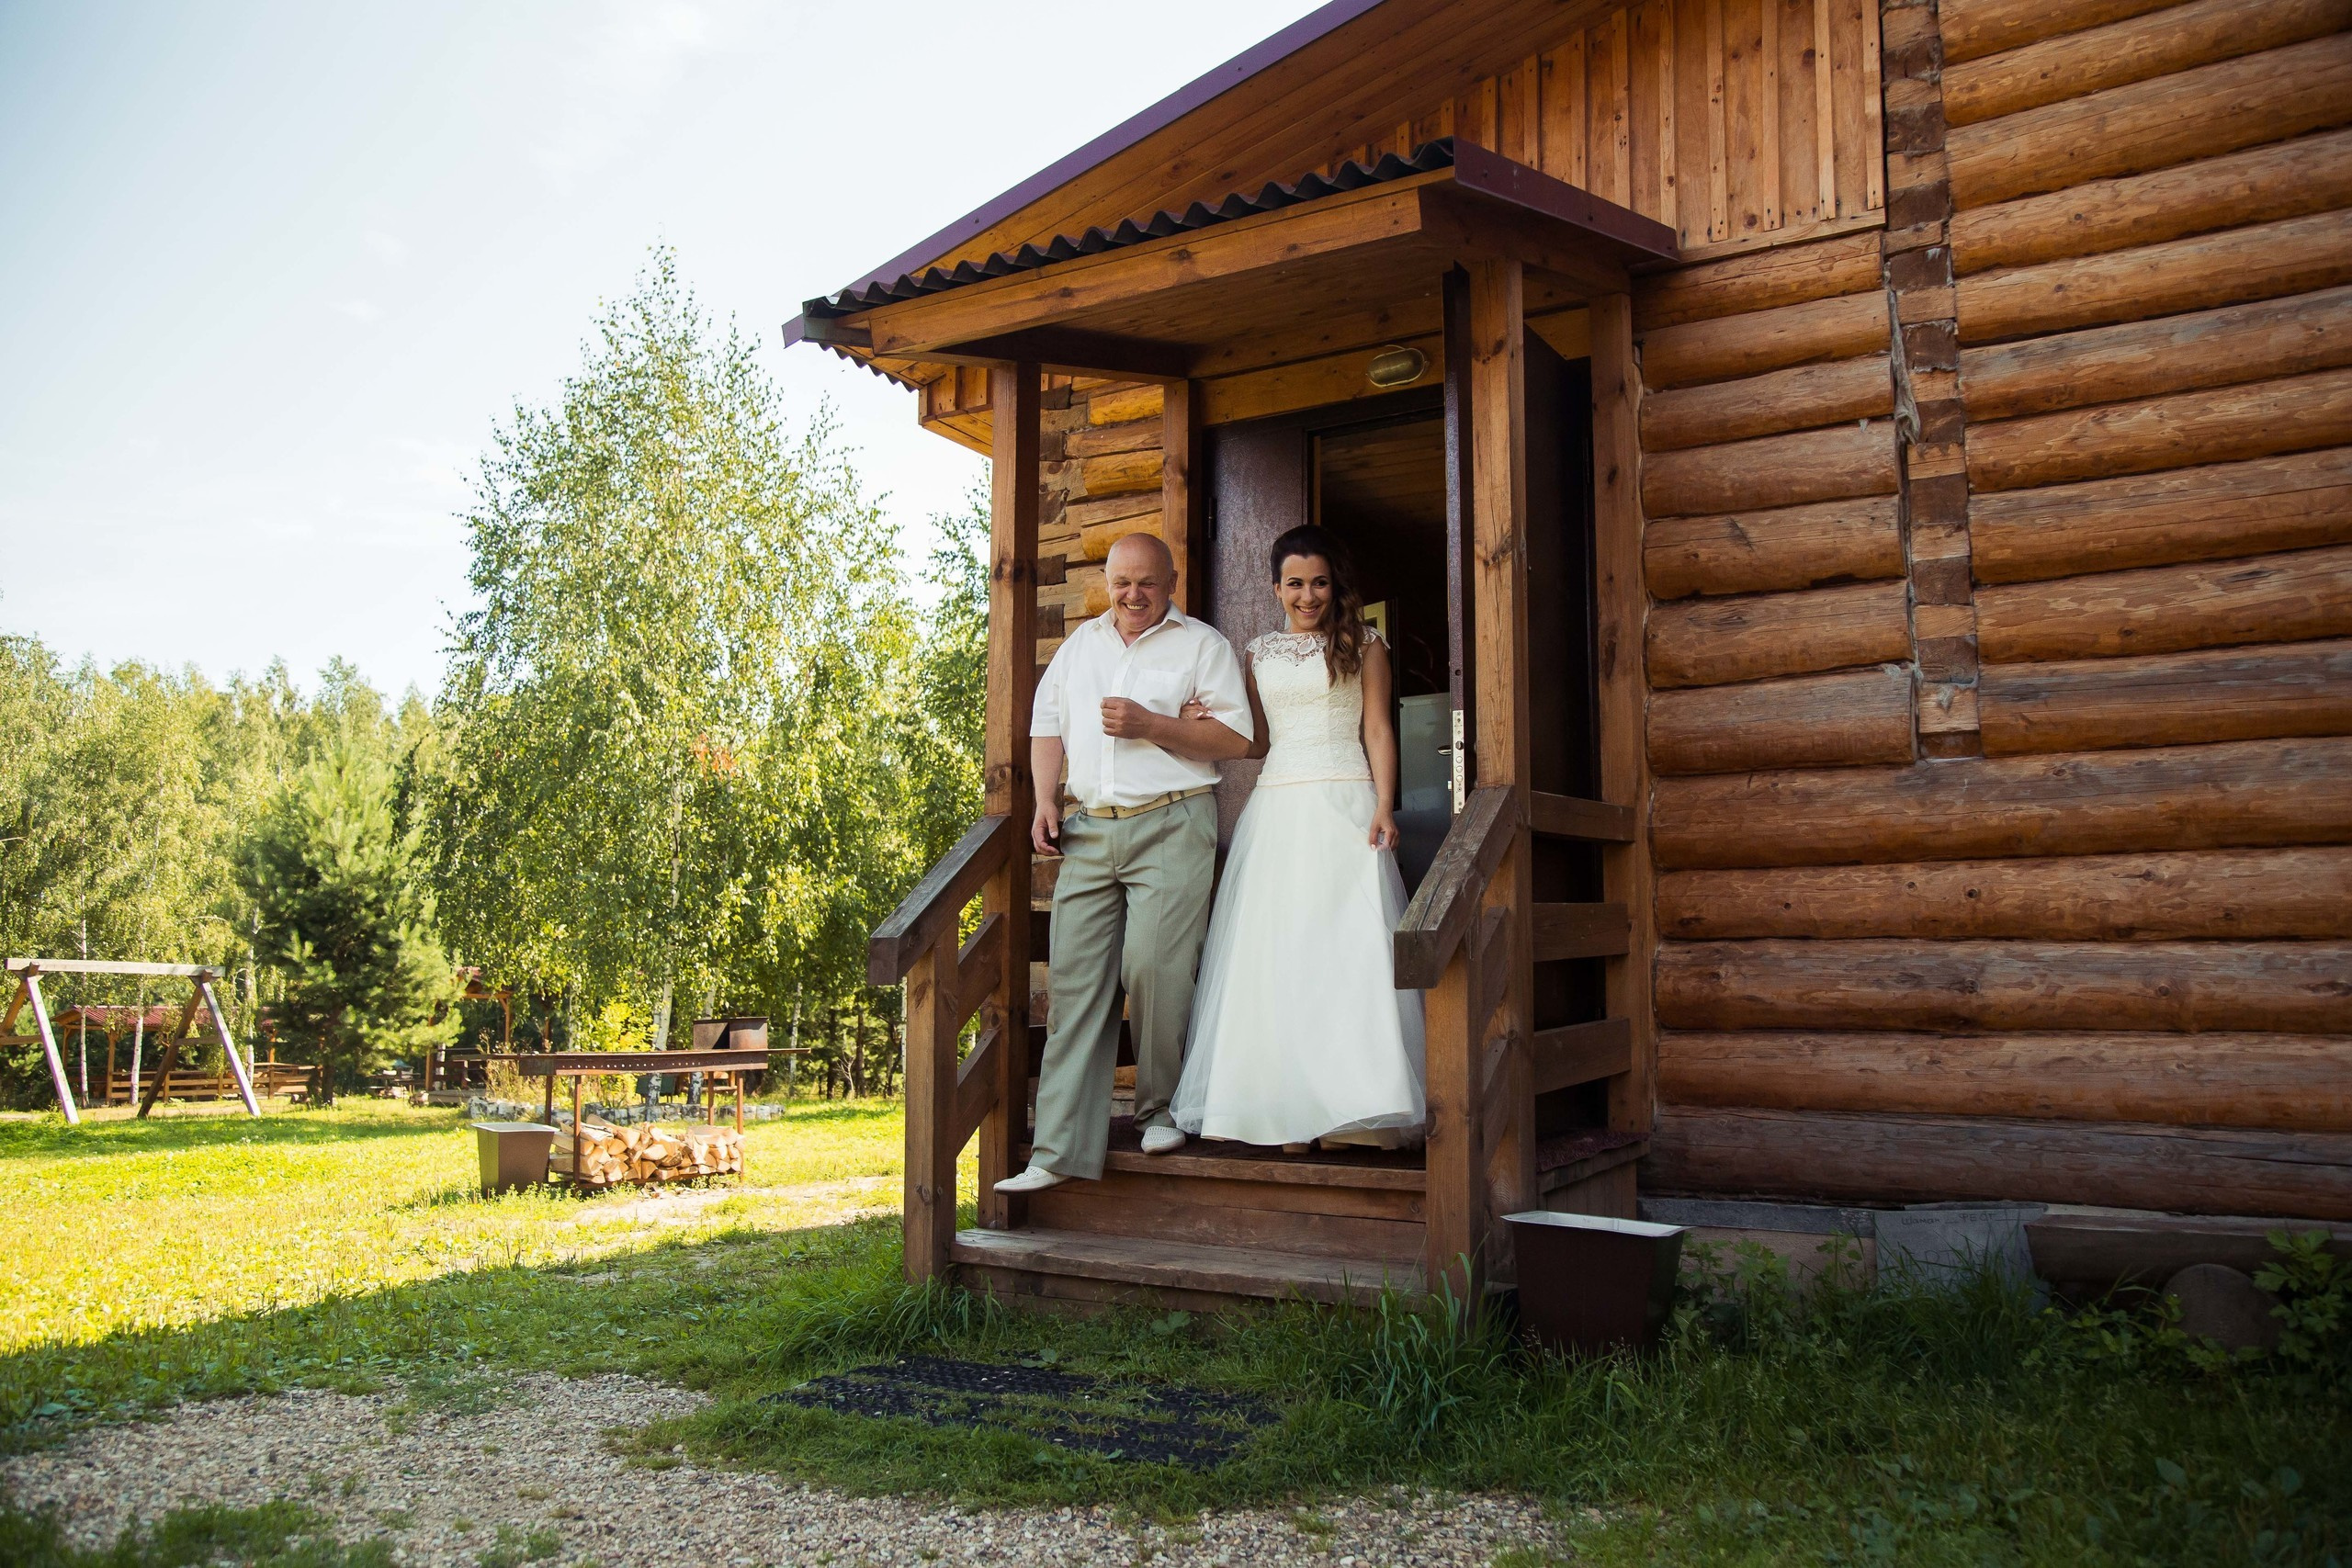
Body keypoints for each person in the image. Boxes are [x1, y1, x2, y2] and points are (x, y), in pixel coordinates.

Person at [995, 532, 1253, 1194]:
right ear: (1106, 581)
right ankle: (1056, 1150)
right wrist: (1044, 799)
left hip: (1172, 818)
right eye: (1121, 582)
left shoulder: (1202, 644)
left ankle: (1160, 1110)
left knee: (1154, 964)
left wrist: (1152, 724)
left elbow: (1237, 736)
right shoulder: (1082, 646)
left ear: (1171, 581)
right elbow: (1046, 722)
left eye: (1147, 582)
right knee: (1077, 979)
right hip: (1089, 827)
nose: (1132, 594)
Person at [1169, 525, 1427, 1152]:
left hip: (1344, 801)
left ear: (1332, 584)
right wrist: (1201, 721)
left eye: (1318, 582)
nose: (1307, 595)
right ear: (1275, 586)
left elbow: (1378, 732)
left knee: (1347, 950)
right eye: (1295, 583)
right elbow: (1256, 741)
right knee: (1280, 953)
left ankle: (1351, 1113)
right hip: (1279, 807)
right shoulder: (1257, 651)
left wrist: (1385, 804)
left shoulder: (1365, 644)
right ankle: (1284, 1109)